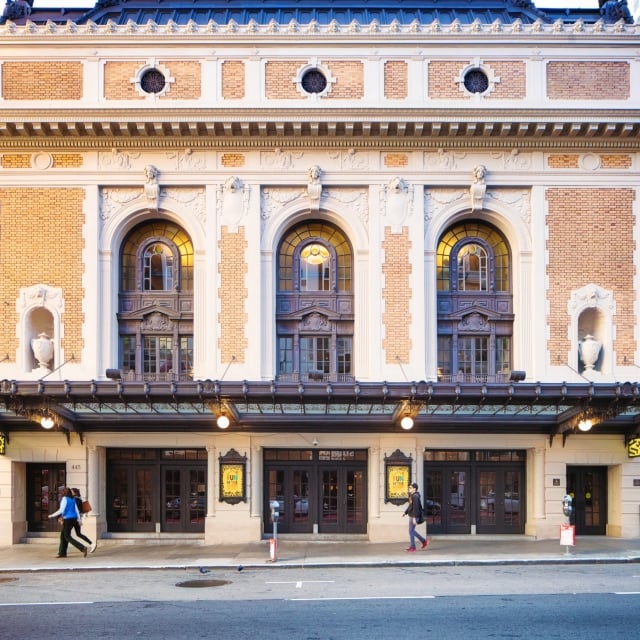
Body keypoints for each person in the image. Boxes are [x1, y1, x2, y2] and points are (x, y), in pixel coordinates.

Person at [48, 487, 89, 558]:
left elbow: (61, 510)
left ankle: (82, 548)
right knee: (63, 536)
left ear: (64, 492)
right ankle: (62, 553)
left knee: (67, 536)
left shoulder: (64, 499)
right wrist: (79, 520)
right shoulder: (73, 499)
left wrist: (52, 515)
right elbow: (76, 511)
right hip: (74, 519)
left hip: (68, 519)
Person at [403, 482, 428, 552]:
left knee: (411, 531)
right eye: (409, 488)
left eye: (410, 488)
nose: (409, 489)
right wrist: (405, 512)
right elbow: (411, 506)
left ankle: (413, 547)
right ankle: (423, 541)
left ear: (414, 489)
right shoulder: (413, 496)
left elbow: (416, 508)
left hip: (413, 516)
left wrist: (414, 518)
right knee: (411, 531)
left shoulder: (415, 497)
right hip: (412, 515)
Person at [71, 488, 97, 553]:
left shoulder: (75, 500)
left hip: (74, 518)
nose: (70, 493)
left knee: (67, 534)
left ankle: (88, 545)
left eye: (71, 492)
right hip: (77, 518)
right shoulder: (79, 499)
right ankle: (92, 544)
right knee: (78, 534)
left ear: (74, 493)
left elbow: (76, 510)